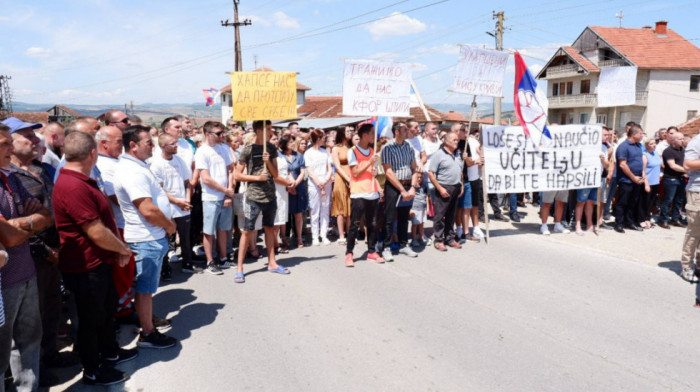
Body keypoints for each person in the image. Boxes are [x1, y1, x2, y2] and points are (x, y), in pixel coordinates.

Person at [53, 131, 136, 386]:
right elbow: (95, 230)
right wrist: (122, 249)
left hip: (98, 262)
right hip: (85, 267)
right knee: (91, 320)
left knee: (105, 312)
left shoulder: (81, 180)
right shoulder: (73, 185)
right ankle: (93, 370)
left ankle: (110, 352)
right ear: (92, 153)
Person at [9, 119, 74, 384]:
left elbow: (52, 210)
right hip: (31, 256)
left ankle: (49, 355)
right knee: (28, 321)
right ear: (10, 142)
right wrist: (46, 249)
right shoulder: (10, 177)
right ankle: (29, 372)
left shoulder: (45, 168)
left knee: (51, 307)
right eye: (27, 136)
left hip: (54, 251)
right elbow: (17, 223)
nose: (36, 140)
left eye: (35, 136)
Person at [0, 120, 53, 392]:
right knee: (1, 353)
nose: (10, 147)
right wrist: (28, 223)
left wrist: (23, 222)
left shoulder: (9, 179)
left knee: (29, 341)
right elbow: (8, 238)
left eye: (11, 142)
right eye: (5, 144)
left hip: (26, 272)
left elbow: (46, 215)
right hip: (4, 282)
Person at [114, 125, 177, 349]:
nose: (153, 146)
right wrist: (169, 226)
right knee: (145, 290)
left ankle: (147, 327)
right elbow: (148, 210)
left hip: (150, 237)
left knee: (146, 290)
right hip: (146, 238)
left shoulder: (137, 166)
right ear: (133, 145)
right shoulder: (132, 171)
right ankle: (148, 334)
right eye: (148, 143)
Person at [234, 120, 289, 283]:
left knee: (270, 229)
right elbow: (237, 175)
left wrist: (267, 162)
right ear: (259, 131)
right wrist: (256, 178)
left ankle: (272, 262)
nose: (271, 132)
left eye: (271, 129)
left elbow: (275, 173)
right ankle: (239, 269)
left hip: (270, 196)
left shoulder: (271, 149)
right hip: (253, 197)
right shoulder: (247, 150)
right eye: (268, 129)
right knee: (247, 231)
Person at [95, 126, 138, 324]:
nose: (122, 144)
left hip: (125, 223)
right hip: (119, 224)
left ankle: (125, 305)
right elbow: (114, 196)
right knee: (122, 270)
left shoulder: (114, 161)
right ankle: (121, 310)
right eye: (118, 141)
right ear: (104, 143)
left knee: (127, 270)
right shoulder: (105, 165)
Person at [150, 134, 197, 274]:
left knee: (185, 236)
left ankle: (187, 263)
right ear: (163, 147)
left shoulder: (179, 161)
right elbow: (159, 189)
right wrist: (177, 201)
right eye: (172, 144)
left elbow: (187, 182)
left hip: (183, 204)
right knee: (165, 236)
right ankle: (164, 268)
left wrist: (187, 199)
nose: (176, 146)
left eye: (176, 143)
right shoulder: (156, 164)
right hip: (167, 206)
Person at [193, 121, 234, 275]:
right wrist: (226, 190)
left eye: (223, 132)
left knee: (223, 229)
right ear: (208, 134)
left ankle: (223, 257)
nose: (222, 136)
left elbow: (230, 170)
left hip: (224, 195)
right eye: (218, 133)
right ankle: (210, 261)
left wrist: (229, 190)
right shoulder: (201, 152)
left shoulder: (224, 148)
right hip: (210, 197)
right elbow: (206, 179)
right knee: (209, 231)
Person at [344, 124, 384, 266]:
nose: (374, 136)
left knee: (372, 224)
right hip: (358, 192)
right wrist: (368, 163)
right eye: (372, 133)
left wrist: (375, 175)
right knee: (355, 224)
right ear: (365, 135)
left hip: (372, 192)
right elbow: (355, 172)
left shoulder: (372, 151)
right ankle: (349, 253)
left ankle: (372, 251)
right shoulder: (352, 151)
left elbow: (373, 171)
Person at [380, 122, 420, 261]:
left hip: (409, 184)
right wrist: (402, 190)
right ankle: (386, 246)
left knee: (404, 217)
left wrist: (413, 187)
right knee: (389, 218)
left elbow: (414, 168)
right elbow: (388, 171)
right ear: (396, 131)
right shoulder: (388, 148)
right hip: (394, 186)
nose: (407, 131)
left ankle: (403, 245)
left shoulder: (409, 146)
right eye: (405, 129)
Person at [427, 132, 464, 251]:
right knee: (440, 215)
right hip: (444, 187)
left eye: (457, 140)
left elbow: (460, 170)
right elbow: (431, 173)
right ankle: (438, 240)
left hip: (456, 187)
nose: (456, 142)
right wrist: (440, 188)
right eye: (454, 140)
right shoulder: (438, 154)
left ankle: (450, 238)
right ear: (446, 141)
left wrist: (461, 184)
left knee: (451, 215)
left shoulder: (458, 154)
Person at [614, 124, 646, 233]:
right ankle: (619, 223)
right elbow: (623, 165)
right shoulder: (624, 146)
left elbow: (640, 162)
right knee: (623, 202)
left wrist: (641, 177)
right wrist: (633, 178)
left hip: (637, 180)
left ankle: (629, 222)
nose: (642, 136)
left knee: (633, 202)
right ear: (634, 134)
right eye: (641, 133)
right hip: (626, 180)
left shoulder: (638, 146)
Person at [304, 129, 333, 246]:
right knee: (315, 210)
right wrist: (319, 184)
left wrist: (325, 181)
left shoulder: (325, 152)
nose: (324, 140)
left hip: (326, 182)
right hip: (314, 184)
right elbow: (310, 171)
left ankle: (324, 234)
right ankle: (315, 236)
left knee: (325, 209)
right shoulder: (308, 153)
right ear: (317, 139)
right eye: (322, 138)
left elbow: (329, 168)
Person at [681, 133, 700, 281]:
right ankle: (687, 266)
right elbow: (687, 165)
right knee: (694, 231)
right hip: (697, 192)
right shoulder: (696, 142)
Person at [659, 132, 687, 228]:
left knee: (679, 200)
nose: (682, 140)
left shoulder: (683, 150)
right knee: (668, 200)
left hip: (681, 179)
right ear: (673, 140)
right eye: (680, 139)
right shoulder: (668, 151)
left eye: (683, 138)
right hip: (670, 179)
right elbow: (672, 165)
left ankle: (675, 219)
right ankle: (664, 219)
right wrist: (686, 170)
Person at [272, 135, 293, 253]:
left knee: (281, 217)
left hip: (284, 188)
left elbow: (286, 170)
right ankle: (275, 245)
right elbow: (273, 175)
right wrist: (288, 183)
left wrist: (291, 181)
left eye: (276, 139)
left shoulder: (279, 153)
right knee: (276, 218)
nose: (276, 141)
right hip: (275, 188)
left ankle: (278, 241)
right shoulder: (268, 154)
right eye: (273, 139)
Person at [331, 129, 352, 245]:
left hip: (352, 176)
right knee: (341, 207)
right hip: (341, 178)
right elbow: (338, 167)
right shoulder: (336, 148)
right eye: (348, 131)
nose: (351, 132)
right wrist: (348, 179)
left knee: (349, 206)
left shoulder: (351, 147)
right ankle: (341, 235)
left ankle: (349, 233)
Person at [286, 137, 308, 248]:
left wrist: (295, 184)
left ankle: (299, 237)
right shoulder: (280, 156)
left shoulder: (298, 156)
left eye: (293, 141)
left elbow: (302, 172)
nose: (293, 143)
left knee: (298, 214)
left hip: (298, 187)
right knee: (284, 215)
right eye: (290, 142)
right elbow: (282, 171)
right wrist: (289, 185)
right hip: (284, 188)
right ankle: (284, 238)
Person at [640, 138, 662, 229]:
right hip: (647, 181)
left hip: (655, 182)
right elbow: (643, 171)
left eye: (654, 143)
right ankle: (641, 219)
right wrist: (646, 183)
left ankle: (647, 218)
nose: (654, 145)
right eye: (651, 143)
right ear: (646, 145)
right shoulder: (645, 155)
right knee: (644, 201)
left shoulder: (656, 154)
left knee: (651, 202)